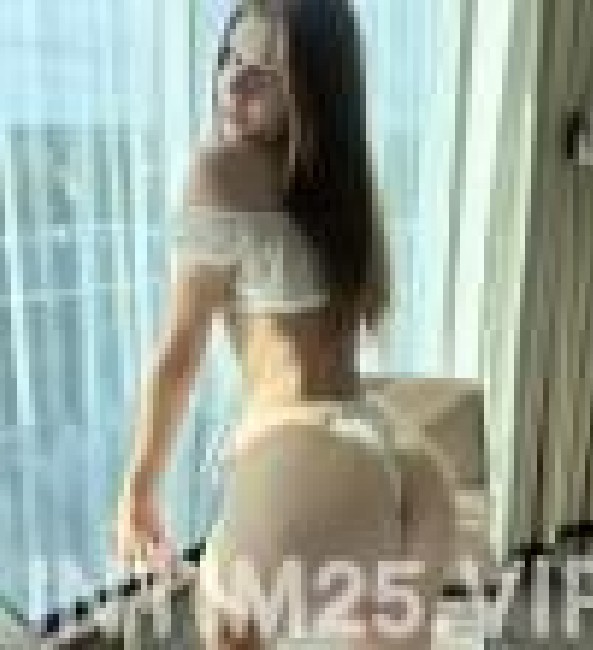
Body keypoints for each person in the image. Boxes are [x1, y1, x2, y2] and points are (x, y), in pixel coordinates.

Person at [114, 0, 460, 647]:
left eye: (265, 71)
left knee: (226, 625)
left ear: (315, 89)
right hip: (405, 467)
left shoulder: (222, 170)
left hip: (300, 455)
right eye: (230, 57)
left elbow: (180, 353)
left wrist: (138, 489)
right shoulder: (347, 187)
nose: (234, 82)